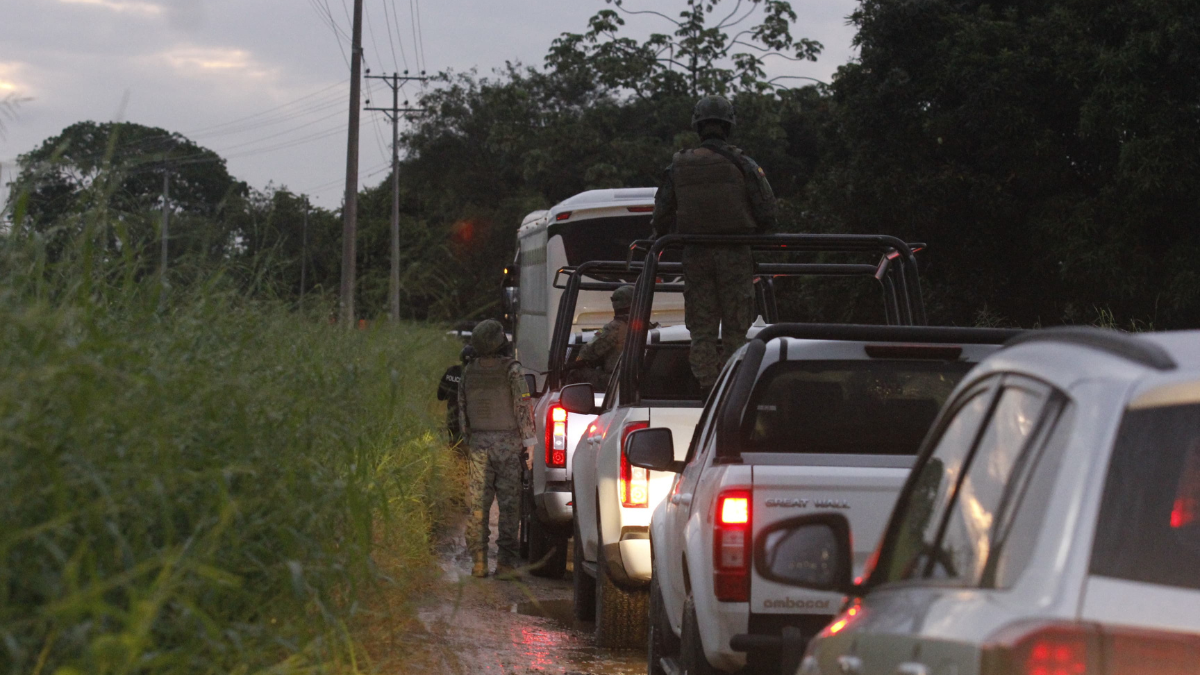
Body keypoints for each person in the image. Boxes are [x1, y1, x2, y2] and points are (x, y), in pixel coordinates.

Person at [651, 94, 777, 390]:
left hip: (696, 256)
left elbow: (661, 214)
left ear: (697, 126)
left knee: (702, 332)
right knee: (736, 329)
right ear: (728, 126)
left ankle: (709, 388)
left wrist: (661, 238)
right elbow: (767, 210)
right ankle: (733, 388)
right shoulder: (744, 163)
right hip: (735, 254)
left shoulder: (679, 165)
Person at [457, 319, 536, 578]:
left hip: (479, 445)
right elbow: (523, 407)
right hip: (508, 446)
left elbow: (462, 411)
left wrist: (470, 441)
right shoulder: (512, 370)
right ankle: (505, 564)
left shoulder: (468, 371)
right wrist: (529, 443)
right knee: (510, 506)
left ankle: (479, 562)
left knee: (479, 505)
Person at [565, 285, 633, 388]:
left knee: (575, 373)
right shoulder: (647, 325)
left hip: (616, 380)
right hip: (637, 378)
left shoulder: (614, 327)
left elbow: (587, 352)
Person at [436, 345, 475, 449]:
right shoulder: (478, 375)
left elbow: (440, 396)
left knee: (454, 447)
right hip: (473, 419)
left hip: (453, 417)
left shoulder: (451, 371)